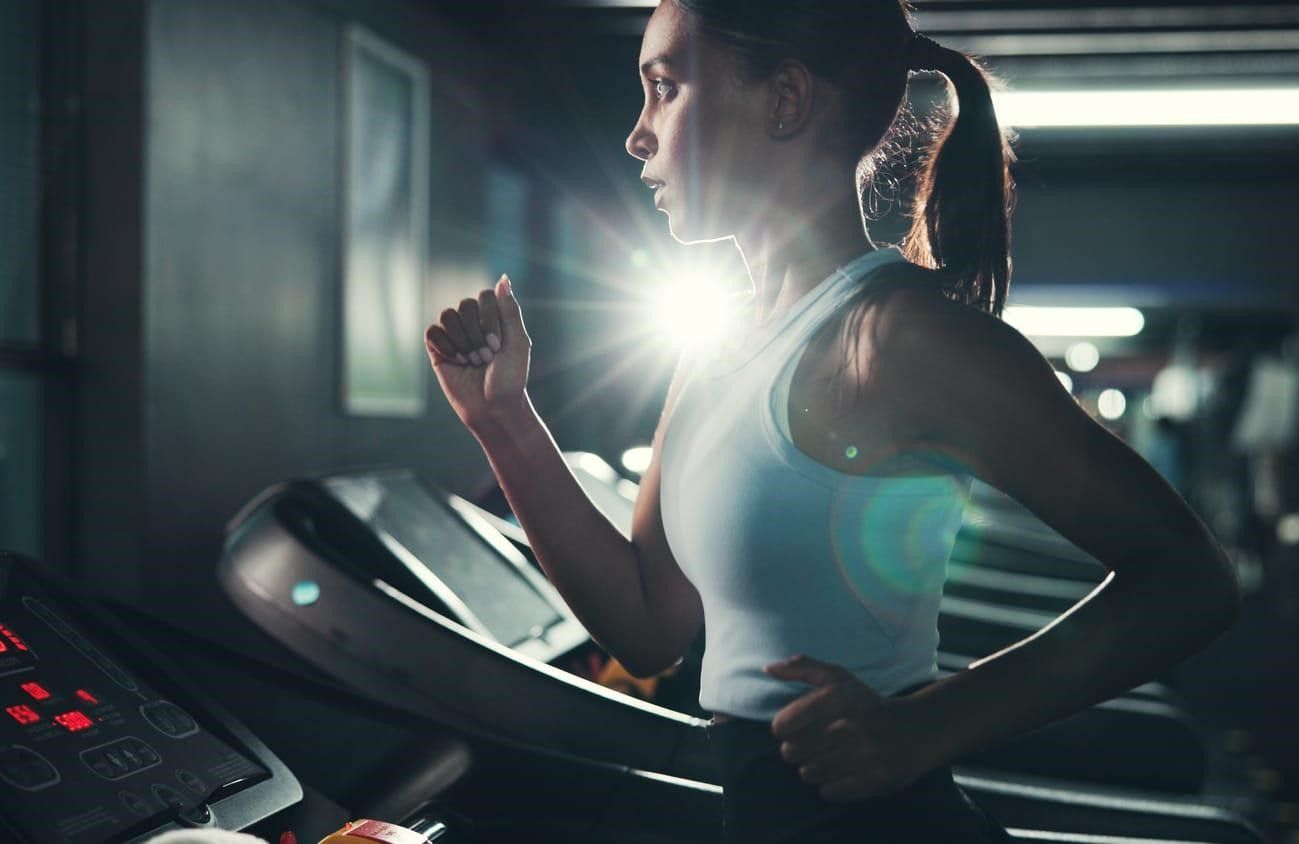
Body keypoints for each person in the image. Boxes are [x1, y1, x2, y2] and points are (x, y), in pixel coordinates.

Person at [424, 1, 1239, 841]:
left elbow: (1189, 578)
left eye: (664, 89)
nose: (638, 134)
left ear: (784, 100)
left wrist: (930, 723)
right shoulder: (710, 353)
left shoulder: (901, 341)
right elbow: (647, 624)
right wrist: (504, 423)